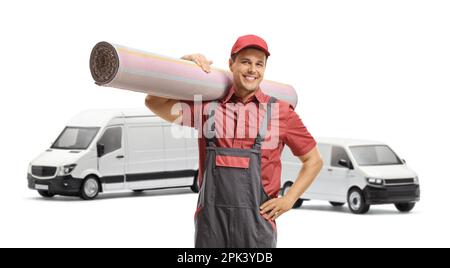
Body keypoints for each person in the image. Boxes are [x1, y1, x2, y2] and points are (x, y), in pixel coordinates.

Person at [145, 34, 323, 248]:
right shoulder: (208, 108)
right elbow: (153, 102)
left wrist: (289, 199)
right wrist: (182, 66)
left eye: (259, 64)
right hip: (211, 226)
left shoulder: (280, 112)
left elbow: (313, 160)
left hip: (257, 227)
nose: (252, 70)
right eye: (246, 62)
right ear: (231, 64)